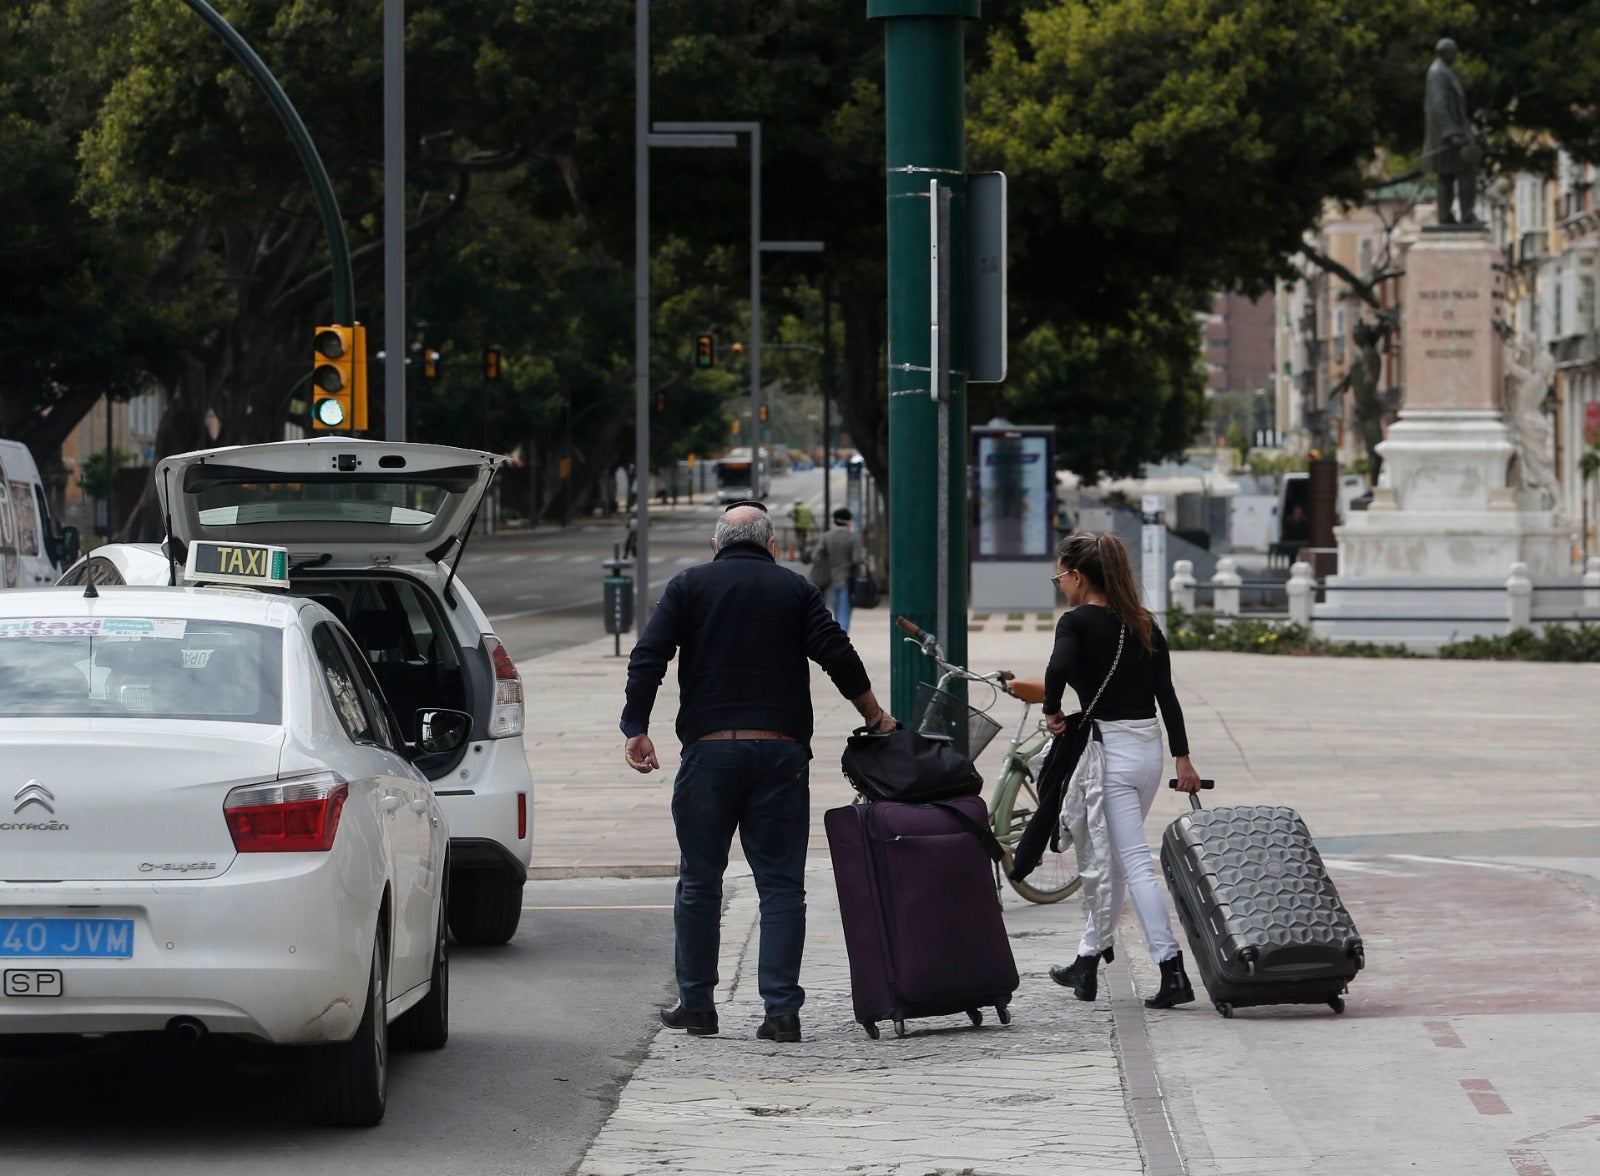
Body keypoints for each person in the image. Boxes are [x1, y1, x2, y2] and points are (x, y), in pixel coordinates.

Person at [620, 502, 895, 1043]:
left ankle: (697, 1006)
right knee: (781, 887)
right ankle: (780, 1013)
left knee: (700, 882)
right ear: (772, 546)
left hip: (709, 754)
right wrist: (874, 716)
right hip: (780, 755)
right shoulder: (794, 590)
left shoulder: (688, 586)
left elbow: (648, 656)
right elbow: (836, 653)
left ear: (717, 544)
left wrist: (636, 725)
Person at [1042, 531, 1203, 1009]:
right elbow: (1167, 696)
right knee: (1113, 859)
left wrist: (1053, 708)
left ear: (1077, 575)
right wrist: (1183, 757)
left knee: (1132, 862)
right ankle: (1086, 962)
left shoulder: (1075, 622)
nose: (1060, 585)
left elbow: (1057, 668)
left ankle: (1170, 967)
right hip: (1150, 752)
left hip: (1110, 754)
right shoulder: (1143, 623)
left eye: (1059, 577)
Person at [1423, 38, 1480, 227]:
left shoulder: (1443, 72)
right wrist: (1451, 133)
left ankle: (1447, 217)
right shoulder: (1437, 72)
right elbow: (1439, 105)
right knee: (1465, 169)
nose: (1455, 56)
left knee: (1446, 175)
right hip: (1446, 137)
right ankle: (1465, 215)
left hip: (1450, 133)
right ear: (1444, 53)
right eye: (1453, 52)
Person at [811, 508, 863, 631]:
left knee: (835, 612)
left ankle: (836, 638)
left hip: (829, 580)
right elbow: (856, 559)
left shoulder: (827, 536)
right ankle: (842, 639)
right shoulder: (853, 538)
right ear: (848, 522)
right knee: (844, 613)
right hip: (847, 580)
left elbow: (815, 556)